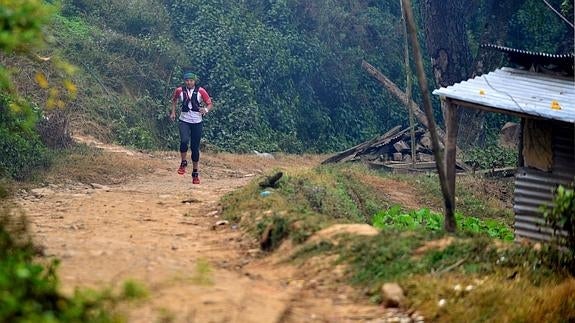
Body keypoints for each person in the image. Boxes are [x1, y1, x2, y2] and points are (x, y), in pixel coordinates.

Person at [170, 72, 213, 184]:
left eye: (191, 80)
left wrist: (206, 110)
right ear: (185, 81)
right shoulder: (179, 90)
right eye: (187, 80)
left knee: (195, 148)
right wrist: (173, 112)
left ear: (195, 81)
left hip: (197, 122)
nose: (189, 82)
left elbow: (209, 103)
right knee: (184, 141)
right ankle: (183, 162)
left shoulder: (201, 91)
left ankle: (195, 173)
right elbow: (174, 100)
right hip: (184, 120)